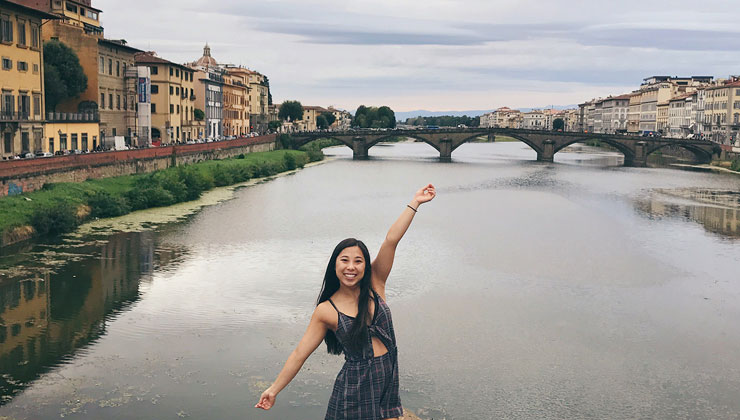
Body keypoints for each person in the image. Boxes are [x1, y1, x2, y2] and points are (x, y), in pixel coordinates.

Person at [255, 184, 437, 419]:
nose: (351, 267)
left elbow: (391, 241)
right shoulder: (326, 311)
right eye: (345, 260)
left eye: (358, 261)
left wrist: (415, 203)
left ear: (365, 265)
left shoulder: (375, 284)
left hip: (387, 381)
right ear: (335, 265)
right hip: (354, 390)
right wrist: (273, 390)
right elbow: (300, 353)